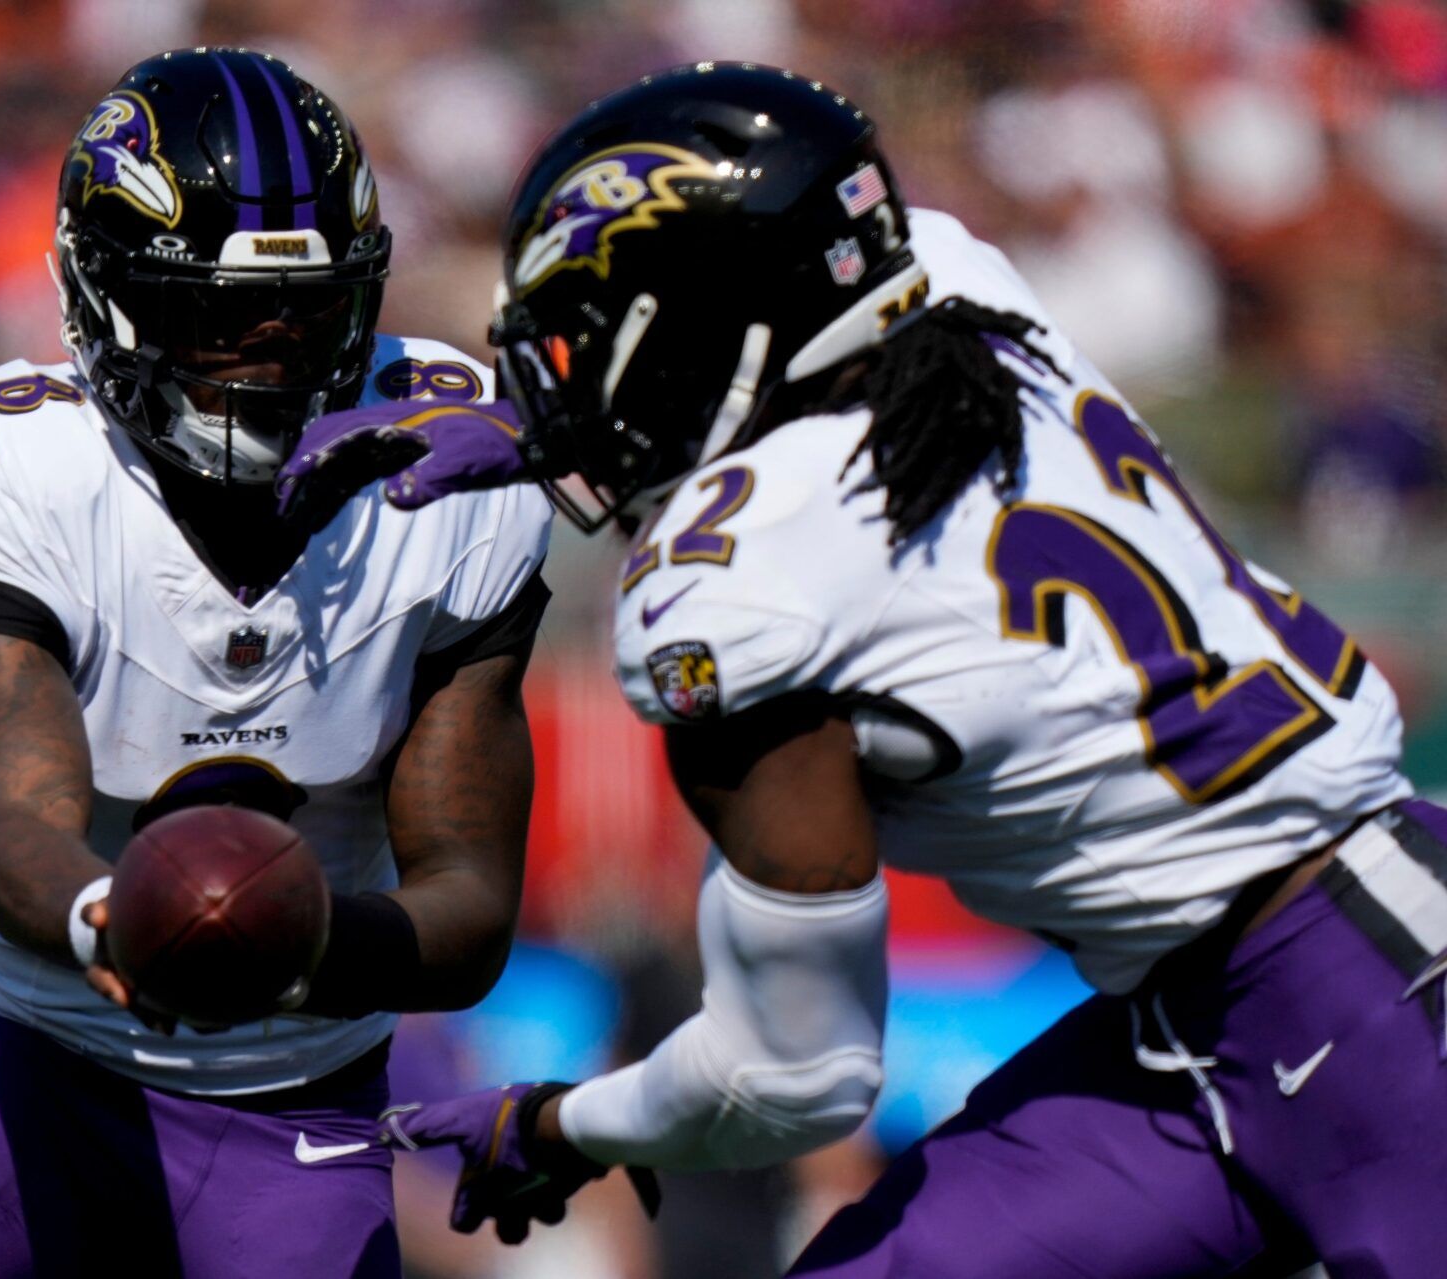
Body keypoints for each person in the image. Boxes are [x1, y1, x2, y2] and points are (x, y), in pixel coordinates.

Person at [276, 63, 1446, 1277]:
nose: (560, 386)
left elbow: (796, 1076)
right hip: (1187, 1022)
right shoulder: (949, 278)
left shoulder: (733, 601)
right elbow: (790, 407)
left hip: (1384, 993)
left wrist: (562, 1120)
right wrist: (534, 438)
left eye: (588, 339)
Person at [0, 47, 553, 1279]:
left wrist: (289, 944)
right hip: (23, 1071)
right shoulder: (23, 465)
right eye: (219, 312)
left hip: (295, 1111)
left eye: (304, 306)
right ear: (104, 293)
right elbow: (13, 823)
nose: (265, 351)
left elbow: (469, 909)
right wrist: (129, 923)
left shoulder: (450, 469)